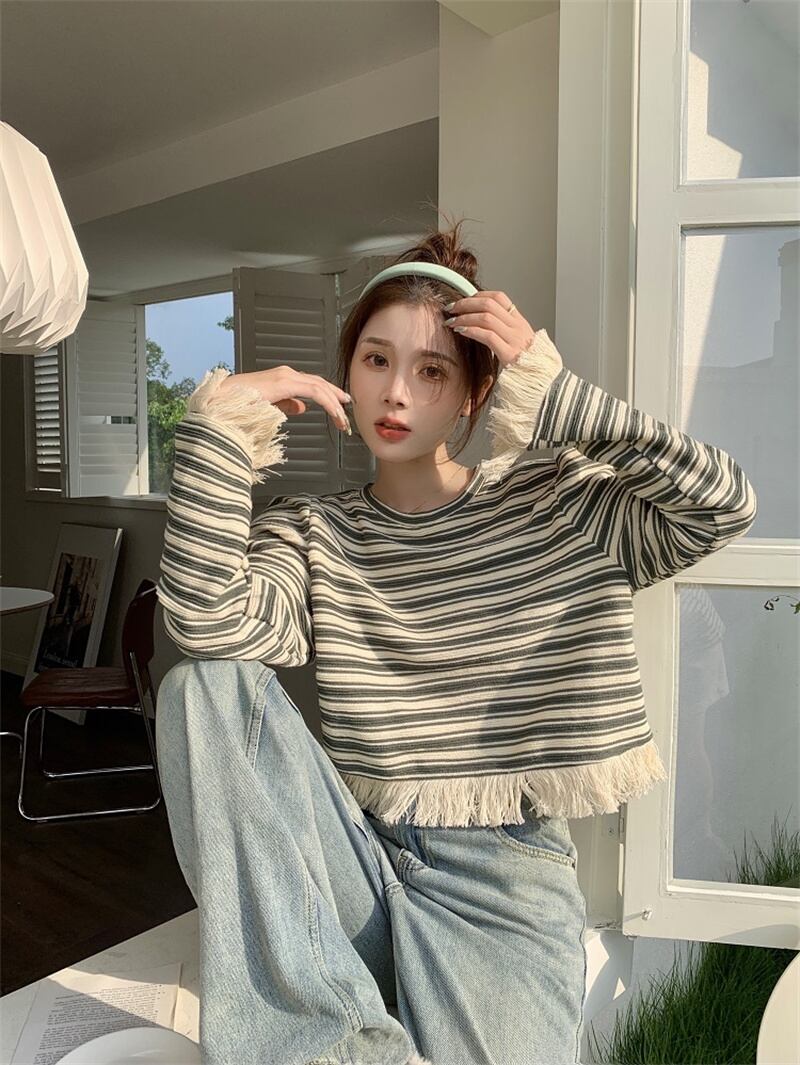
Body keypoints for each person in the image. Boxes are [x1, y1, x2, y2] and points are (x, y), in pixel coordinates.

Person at [154, 218, 758, 1065]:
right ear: (349, 371)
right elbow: (207, 622)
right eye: (376, 360)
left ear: (474, 394)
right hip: (354, 858)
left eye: (431, 370)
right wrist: (220, 428)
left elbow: (721, 506)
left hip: (498, 882)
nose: (396, 392)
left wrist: (553, 389)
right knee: (200, 689)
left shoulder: (554, 504)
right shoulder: (315, 532)